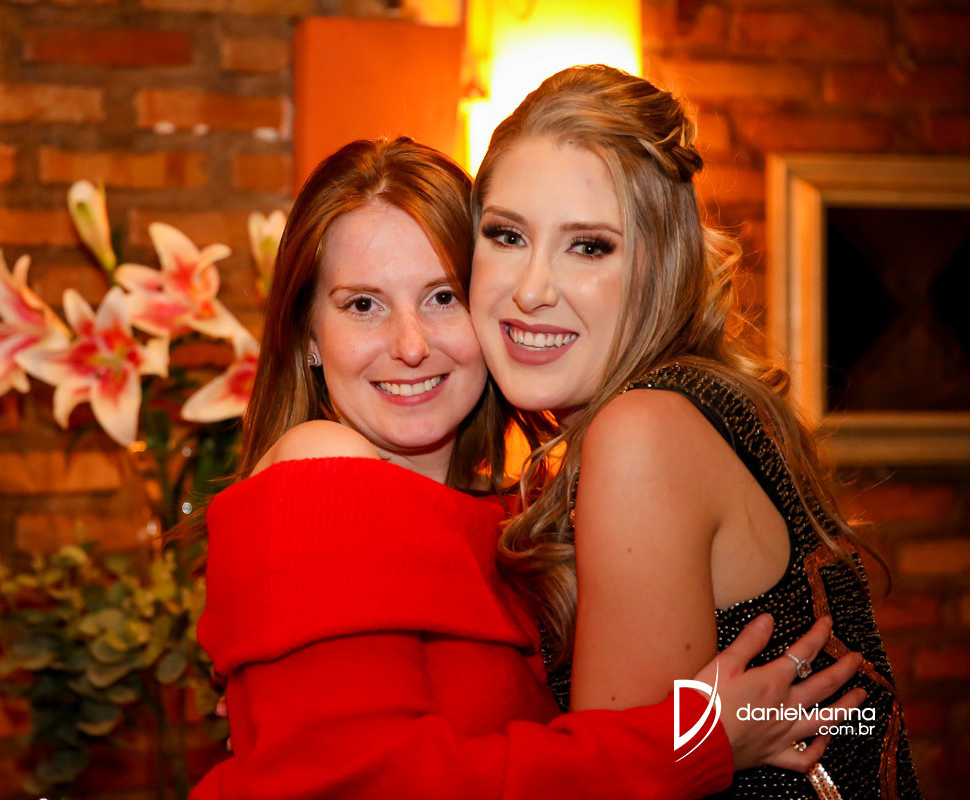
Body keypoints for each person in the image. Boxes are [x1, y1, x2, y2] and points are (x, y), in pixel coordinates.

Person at [189, 137, 865, 800]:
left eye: (443, 297)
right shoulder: (317, 466)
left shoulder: (515, 522)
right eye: (363, 305)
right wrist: (697, 741)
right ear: (309, 335)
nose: (411, 345)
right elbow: (374, 786)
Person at [470, 65, 923, 799]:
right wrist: (711, 730)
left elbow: (608, 786)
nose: (530, 289)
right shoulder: (701, 402)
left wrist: (699, 734)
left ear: (663, 266)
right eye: (506, 234)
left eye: (590, 246)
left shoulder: (642, 432)